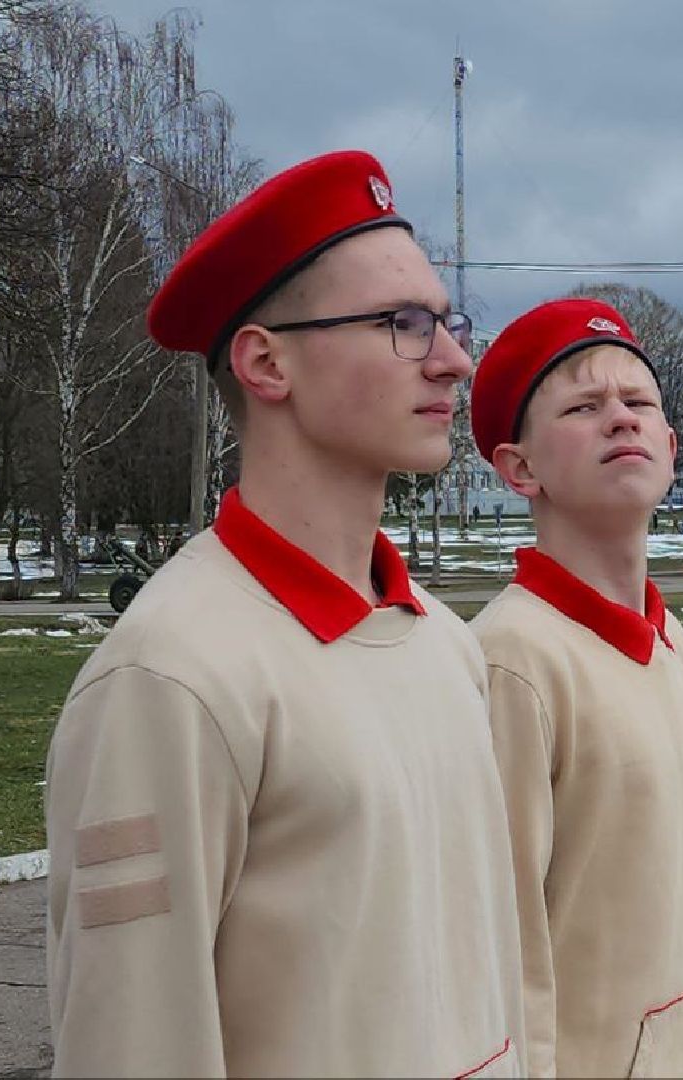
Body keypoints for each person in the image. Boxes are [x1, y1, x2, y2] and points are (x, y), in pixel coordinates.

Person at [45, 151, 524, 1076]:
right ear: (266, 361)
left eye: (446, 320)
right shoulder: (171, 679)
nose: (455, 360)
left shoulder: (445, 644)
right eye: (403, 323)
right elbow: (133, 1046)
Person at [467, 298, 683, 1076]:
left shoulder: (668, 639)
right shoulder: (510, 659)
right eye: (584, 407)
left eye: (637, 403)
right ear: (518, 467)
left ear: (668, 443)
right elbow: (498, 951)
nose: (620, 420)